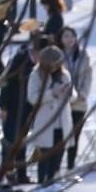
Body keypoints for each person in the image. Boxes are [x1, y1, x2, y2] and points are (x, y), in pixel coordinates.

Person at [0, 32, 46, 184]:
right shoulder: (20, 59)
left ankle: (21, 174)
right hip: (13, 105)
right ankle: (8, 173)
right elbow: (6, 82)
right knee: (10, 141)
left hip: (27, 107)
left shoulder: (41, 65)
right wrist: (3, 106)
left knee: (22, 141)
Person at [26, 44, 72, 184]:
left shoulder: (64, 74)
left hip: (62, 120)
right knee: (44, 154)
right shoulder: (36, 75)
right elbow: (32, 97)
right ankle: (42, 181)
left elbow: (73, 95)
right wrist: (52, 93)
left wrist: (68, 93)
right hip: (45, 120)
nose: (54, 67)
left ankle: (53, 180)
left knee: (58, 153)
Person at [57, 26, 90, 170]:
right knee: (61, 137)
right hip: (63, 102)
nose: (69, 39)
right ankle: (56, 168)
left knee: (75, 136)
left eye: (72, 36)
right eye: (66, 36)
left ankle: (70, 167)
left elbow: (88, 76)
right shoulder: (57, 56)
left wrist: (83, 94)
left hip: (79, 102)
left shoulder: (82, 55)